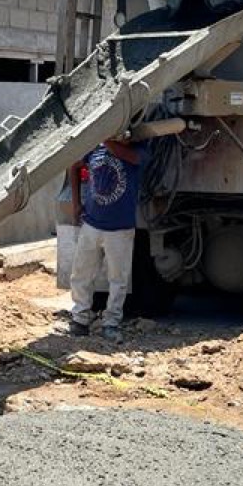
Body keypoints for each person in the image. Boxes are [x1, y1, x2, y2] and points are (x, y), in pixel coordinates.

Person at [68, 137, 147, 344]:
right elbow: (73, 165)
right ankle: (79, 319)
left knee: (118, 280)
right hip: (92, 224)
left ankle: (111, 323)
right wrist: (76, 203)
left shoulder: (139, 149)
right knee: (81, 274)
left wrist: (103, 136)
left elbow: (131, 157)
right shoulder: (95, 148)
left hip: (120, 229)